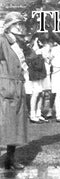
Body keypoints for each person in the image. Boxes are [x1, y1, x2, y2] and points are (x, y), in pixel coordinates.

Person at [0, 12, 28, 170]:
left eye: (20, 24)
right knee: (3, 125)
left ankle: (10, 159)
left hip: (18, 87)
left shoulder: (16, 43)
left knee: (15, 126)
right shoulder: (2, 40)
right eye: (17, 24)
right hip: (6, 88)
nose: (20, 27)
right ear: (9, 25)